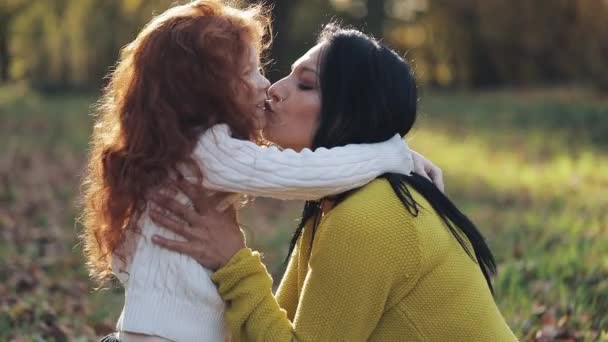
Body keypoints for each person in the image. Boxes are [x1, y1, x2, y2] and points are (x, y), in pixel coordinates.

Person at [80, 1, 442, 341]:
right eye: (247, 73)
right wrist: (392, 151)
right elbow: (305, 174)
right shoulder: (206, 150)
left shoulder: (171, 151)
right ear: (204, 90)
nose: (265, 85)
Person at [151, 24, 519, 341]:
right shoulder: (338, 204)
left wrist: (233, 259)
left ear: (350, 112)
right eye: (288, 75)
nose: (275, 90)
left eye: (306, 84)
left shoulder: (370, 216)